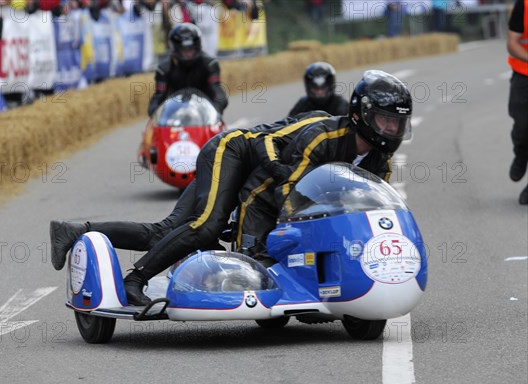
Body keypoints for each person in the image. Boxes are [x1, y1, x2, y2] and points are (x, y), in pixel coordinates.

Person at [50, 111, 331, 305]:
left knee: (165, 233)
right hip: (231, 153)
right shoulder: (323, 127)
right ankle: (134, 281)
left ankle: (74, 231)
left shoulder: (363, 154)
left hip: (246, 175)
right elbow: (262, 143)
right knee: (205, 226)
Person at [236, 70, 413, 257]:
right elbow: (289, 189)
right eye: (385, 119)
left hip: (316, 215)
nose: (392, 128)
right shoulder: (322, 138)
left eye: (397, 122)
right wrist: (309, 232)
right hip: (265, 204)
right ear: (363, 114)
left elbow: (371, 210)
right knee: (258, 265)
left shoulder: (382, 164)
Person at [147, 22, 228, 116]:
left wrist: (215, 111)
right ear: (176, 49)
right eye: (184, 50)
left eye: (191, 49)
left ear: (197, 47)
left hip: (205, 116)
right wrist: (154, 113)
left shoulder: (210, 64)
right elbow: (158, 96)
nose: (188, 54)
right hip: (175, 116)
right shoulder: (163, 69)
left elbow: (218, 92)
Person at [507, 0, 528, 205]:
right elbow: (512, 43)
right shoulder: (524, 5)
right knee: (523, 129)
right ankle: (521, 154)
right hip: (524, 74)